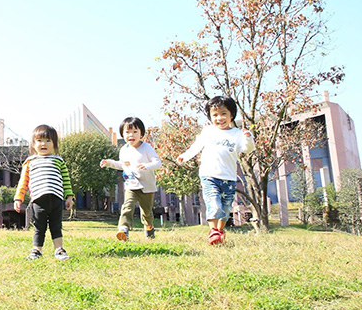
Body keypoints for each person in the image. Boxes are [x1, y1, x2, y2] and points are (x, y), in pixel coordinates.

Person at [177, 95, 255, 245]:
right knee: (214, 203)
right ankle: (213, 231)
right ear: (210, 117)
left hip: (229, 177)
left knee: (225, 209)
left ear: (231, 114)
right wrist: (184, 156)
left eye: (223, 113)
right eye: (215, 115)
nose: (219, 118)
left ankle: (220, 230)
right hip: (209, 175)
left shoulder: (237, 134)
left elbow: (247, 150)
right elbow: (196, 146)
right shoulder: (208, 131)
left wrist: (248, 138)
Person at [14, 124, 74, 260]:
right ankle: (36, 250)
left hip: (57, 199)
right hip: (38, 200)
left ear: (54, 144)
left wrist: (69, 196)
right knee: (39, 226)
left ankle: (59, 250)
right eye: (40, 140)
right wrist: (18, 198)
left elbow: (66, 180)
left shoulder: (59, 160)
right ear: (33, 144)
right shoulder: (30, 161)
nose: (44, 144)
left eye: (48, 141)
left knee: (56, 226)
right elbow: (23, 181)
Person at [100, 117, 162, 241]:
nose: (131, 135)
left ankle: (149, 229)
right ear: (122, 134)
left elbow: (158, 162)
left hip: (147, 186)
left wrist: (147, 165)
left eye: (135, 132)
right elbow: (121, 165)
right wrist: (109, 163)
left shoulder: (146, 148)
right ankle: (123, 229)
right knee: (127, 206)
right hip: (131, 185)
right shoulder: (124, 150)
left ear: (141, 134)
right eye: (127, 132)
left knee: (147, 213)